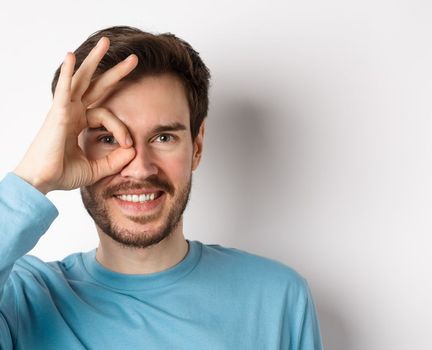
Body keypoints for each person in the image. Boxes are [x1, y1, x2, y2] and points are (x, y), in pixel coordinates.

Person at [0, 26, 323, 349]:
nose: (140, 168)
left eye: (163, 138)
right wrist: (32, 177)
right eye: (108, 138)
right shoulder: (21, 300)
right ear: (73, 147)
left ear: (196, 147)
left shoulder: (276, 297)